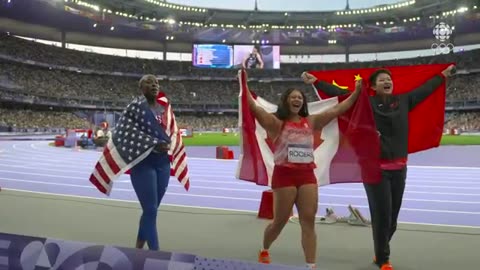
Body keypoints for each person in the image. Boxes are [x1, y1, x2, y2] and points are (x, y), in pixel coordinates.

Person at [302, 64, 455, 270]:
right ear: (373, 86)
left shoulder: (404, 100)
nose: (387, 81)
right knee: (382, 215)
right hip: (374, 169)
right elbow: (341, 94)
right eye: (382, 79)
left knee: (392, 220)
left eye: (388, 79)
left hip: (399, 168)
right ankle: (383, 259)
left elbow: (426, 89)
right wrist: (317, 82)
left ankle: (380, 250)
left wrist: (442, 75)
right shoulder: (366, 102)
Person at [243, 69, 364, 269]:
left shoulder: (312, 121)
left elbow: (338, 110)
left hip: (307, 175)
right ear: (286, 101)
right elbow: (255, 109)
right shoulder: (276, 123)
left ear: (303, 102)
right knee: (279, 222)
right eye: (293, 97)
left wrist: (357, 92)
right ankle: (264, 248)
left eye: (300, 97)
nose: (297, 100)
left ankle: (311, 265)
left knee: (308, 222)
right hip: (284, 177)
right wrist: (243, 85)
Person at [129, 74, 172, 251]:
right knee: (151, 209)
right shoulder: (135, 108)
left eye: (156, 83)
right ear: (141, 88)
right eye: (149, 82)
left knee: (150, 210)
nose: (154, 85)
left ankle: (137, 249)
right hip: (143, 163)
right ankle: (156, 254)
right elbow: (128, 135)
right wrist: (154, 143)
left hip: (163, 163)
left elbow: (170, 131)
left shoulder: (164, 109)